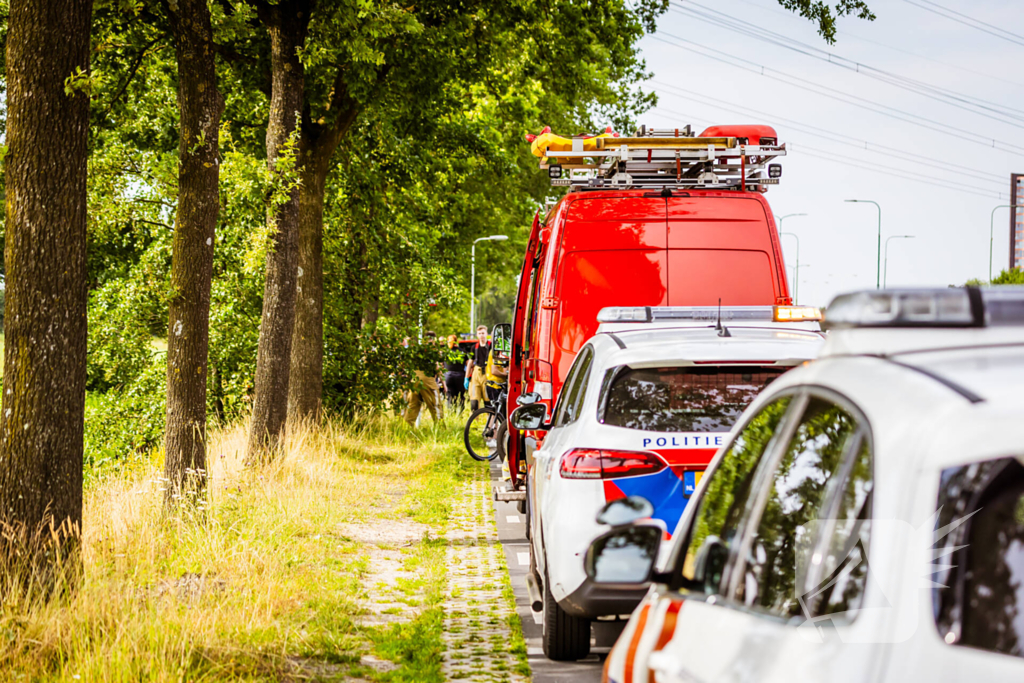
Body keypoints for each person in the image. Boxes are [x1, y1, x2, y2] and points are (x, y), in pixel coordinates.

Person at [404, 337, 441, 427]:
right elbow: (437, 368)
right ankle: (440, 429)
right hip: (427, 380)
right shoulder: (433, 353)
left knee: (413, 405)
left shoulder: (415, 353)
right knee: (435, 405)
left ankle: (406, 428)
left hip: (414, 379)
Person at [466, 325, 490, 411]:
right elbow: (470, 363)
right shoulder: (474, 347)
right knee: (474, 402)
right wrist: (466, 378)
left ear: (487, 333)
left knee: (488, 401)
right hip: (476, 374)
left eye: (483, 333)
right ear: (477, 335)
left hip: (487, 374)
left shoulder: (491, 346)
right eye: (479, 333)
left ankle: (491, 423)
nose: (481, 335)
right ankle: (474, 422)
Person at [442, 334, 468, 411]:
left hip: (448, 375)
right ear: (456, 341)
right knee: (460, 396)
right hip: (460, 376)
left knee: (450, 395)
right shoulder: (462, 351)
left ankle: (451, 412)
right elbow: (468, 364)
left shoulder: (446, 352)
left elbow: (441, 365)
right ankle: (460, 413)